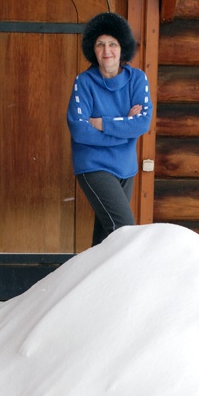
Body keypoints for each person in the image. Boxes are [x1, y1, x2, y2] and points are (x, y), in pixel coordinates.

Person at [66, 12, 153, 246]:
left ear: (122, 47)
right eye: (100, 44)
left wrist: (102, 123)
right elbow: (79, 130)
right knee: (123, 231)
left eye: (112, 44)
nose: (107, 51)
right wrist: (124, 129)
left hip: (125, 167)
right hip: (93, 165)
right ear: (92, 49)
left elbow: (142, 123)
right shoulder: (84, 82)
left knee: (106, 238)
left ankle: (94, 272)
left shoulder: (137, 79)